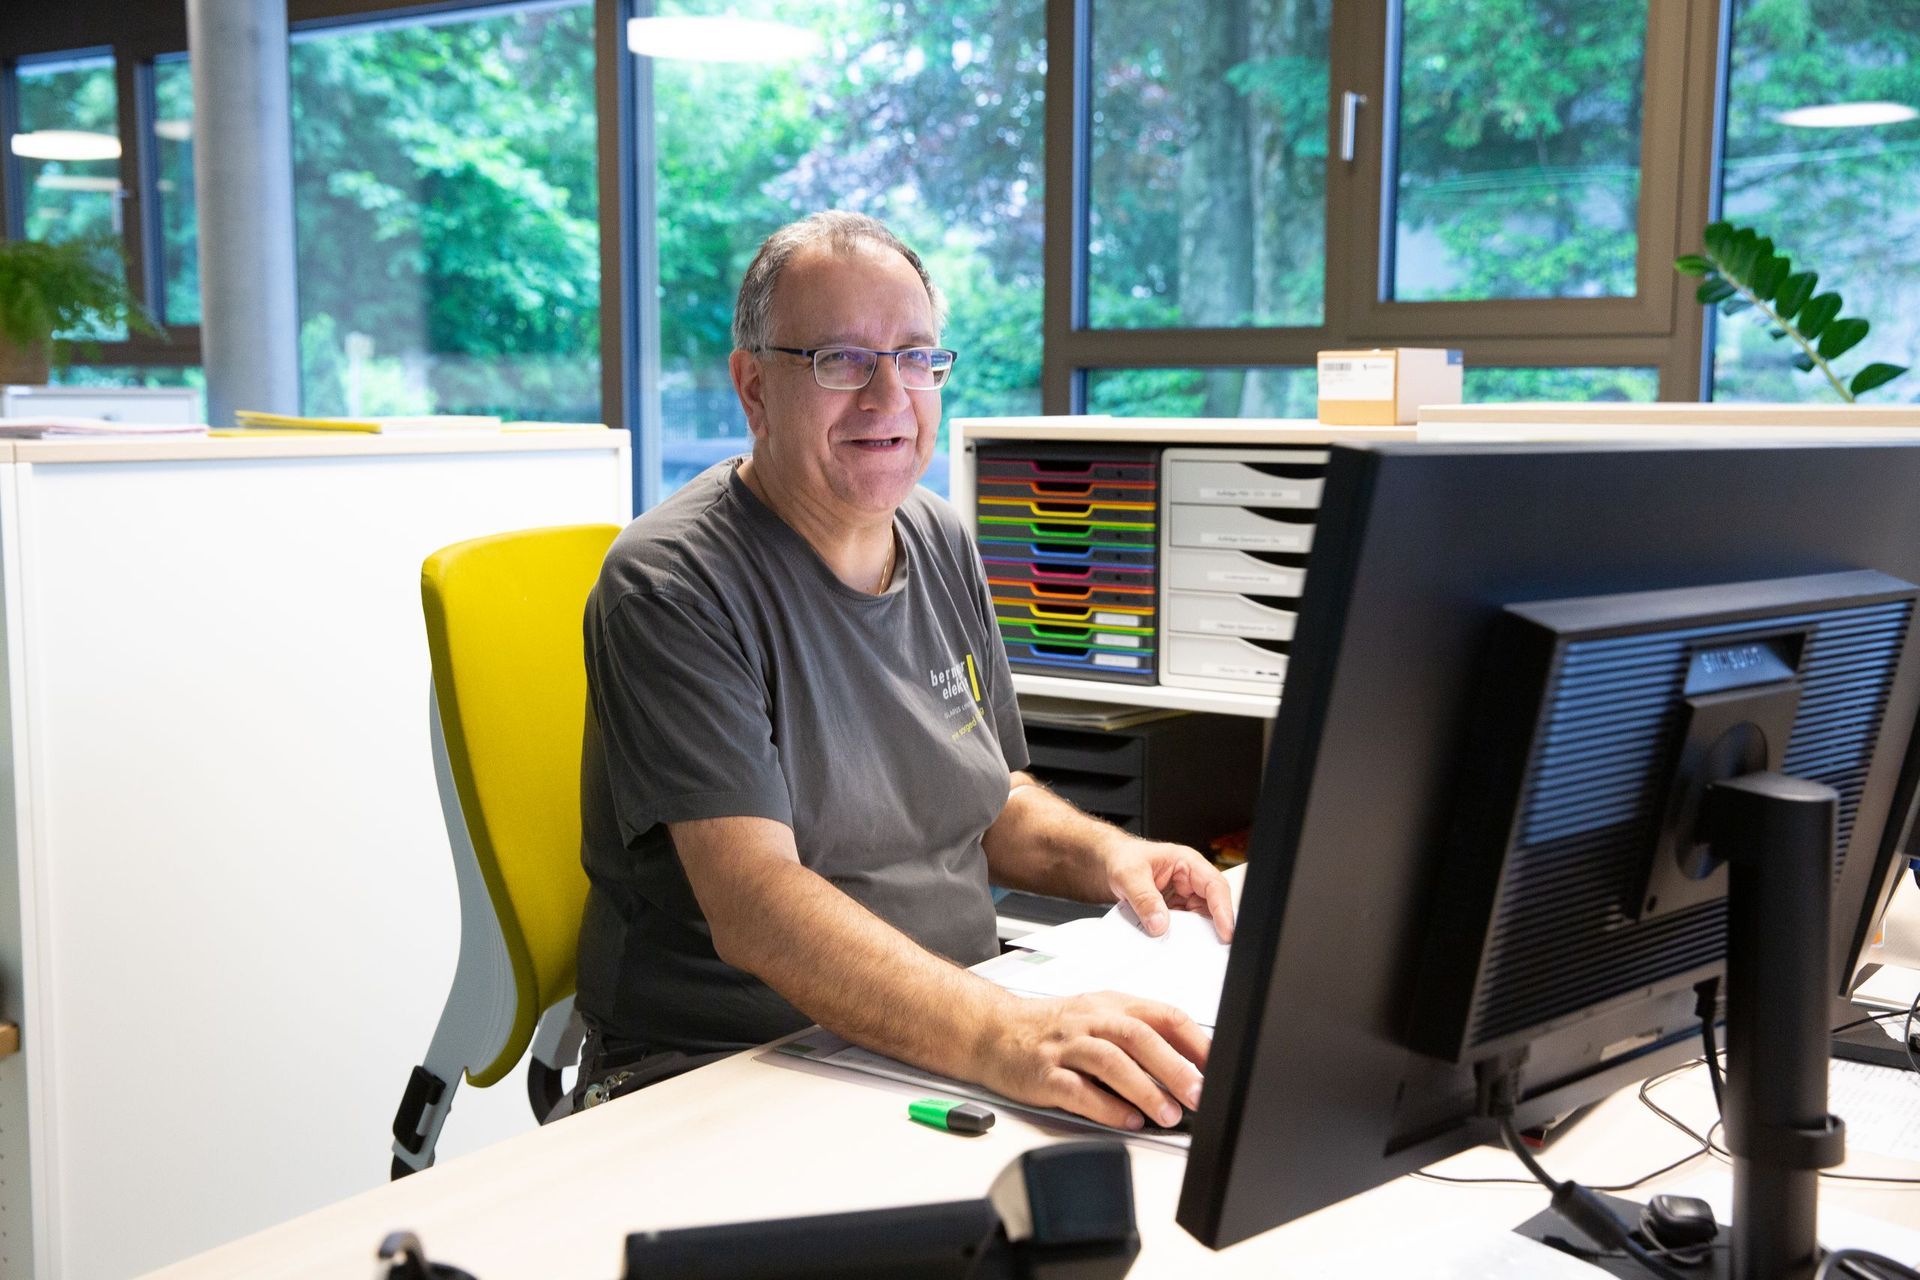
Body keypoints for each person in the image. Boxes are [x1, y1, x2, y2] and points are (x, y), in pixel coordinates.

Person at [574, 210, 1235, 1130]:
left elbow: (988, 798)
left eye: (916, 358)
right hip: (729, 1070)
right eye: (841, 360)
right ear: (754, 386)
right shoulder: (674, 583)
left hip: (944, 1030)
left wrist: (1115, 856)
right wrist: (1010, 1038)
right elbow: (757, 905)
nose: (890, 397)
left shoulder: (935, 533)